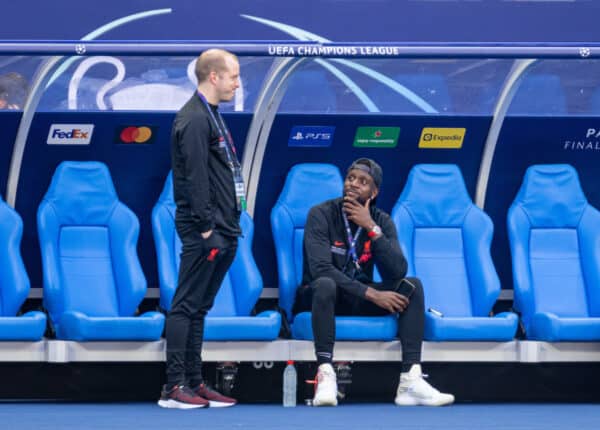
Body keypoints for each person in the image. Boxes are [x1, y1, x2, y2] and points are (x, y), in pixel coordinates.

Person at [295, 158, 455, 407]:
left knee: (412, 286)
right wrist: (372, 294)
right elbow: (320, 269)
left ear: (374, 191)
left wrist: (370, 227)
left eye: (363, 181)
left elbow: (398, 270)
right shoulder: (321, 214)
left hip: (357, 296)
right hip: (320, 298)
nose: (353, 185)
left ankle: (410, 379)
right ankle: (325, 372)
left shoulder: (381, 220)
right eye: (350, 178)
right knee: (325, 283)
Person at [158, 49, 244, 409]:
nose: (237, 83)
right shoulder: (193, 119)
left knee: (200, 308)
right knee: (185, 305)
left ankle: (194, 382)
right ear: (213, 77)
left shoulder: (213, 116)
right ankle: (174, 387)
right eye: (233, 76)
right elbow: (194, 177)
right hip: (204, 230)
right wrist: (207, 227)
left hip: (225, 227)